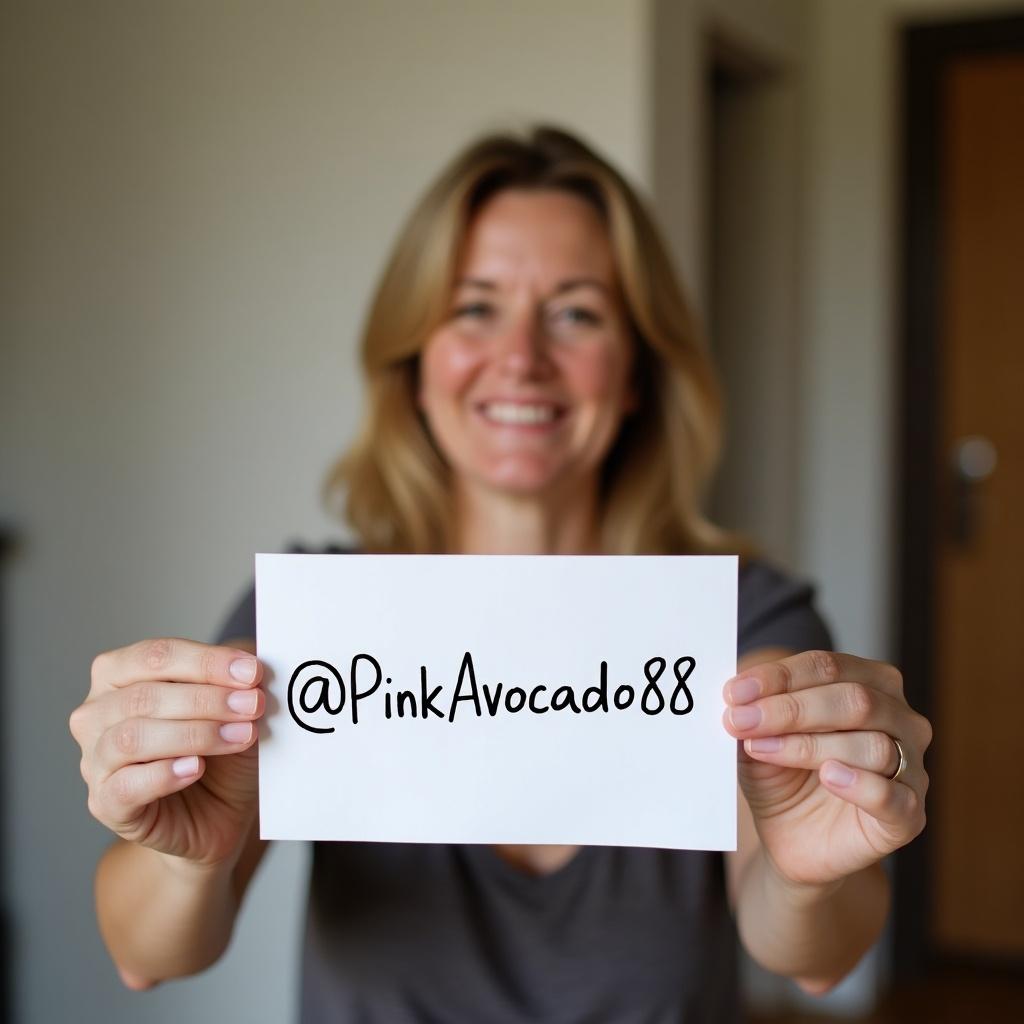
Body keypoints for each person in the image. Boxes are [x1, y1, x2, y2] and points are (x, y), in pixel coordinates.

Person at [70, 126, 932, 1022]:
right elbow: (146, 956)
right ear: (414, 364)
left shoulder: (743, 620)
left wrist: (808, 879)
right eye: (474, 307)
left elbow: (815, 958)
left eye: (577, 313)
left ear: (637, 371)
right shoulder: (310, 621)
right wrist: (186, 859)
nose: (521, 357)